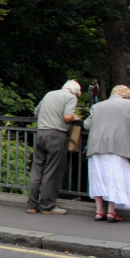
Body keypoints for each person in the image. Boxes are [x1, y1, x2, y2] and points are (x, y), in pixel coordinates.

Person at [83, 84, 130, 221]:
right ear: (126, 95)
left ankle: (99, 211)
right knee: (114, 179)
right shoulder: (129, 104)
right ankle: (111, 211)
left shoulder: (98, 106)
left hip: (96, 146)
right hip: (117, 147)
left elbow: (86, 125)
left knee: (98, 178)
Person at [26, 79, 83, 214]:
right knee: (52, 170)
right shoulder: (70, 97)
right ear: (75, 93)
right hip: (56, 136)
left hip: (41, 134)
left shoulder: (49, 94)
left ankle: (32, 205)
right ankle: (47, 206)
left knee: (37, 169)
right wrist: (76, 118)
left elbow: (36, 112)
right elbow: (67, 117)